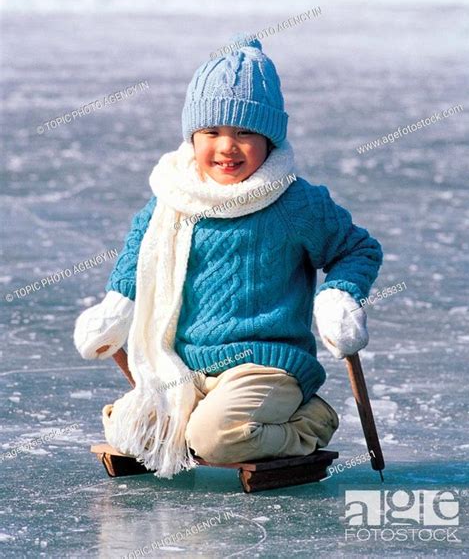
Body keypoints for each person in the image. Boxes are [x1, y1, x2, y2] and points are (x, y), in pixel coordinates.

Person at [73, 34, 383, 479]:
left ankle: (312, 419)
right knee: (130, 428)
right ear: (192, 135)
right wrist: (118, 306)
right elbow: (139, 253)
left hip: (265, 363)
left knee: (214, 439)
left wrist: (338, 295)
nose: (226, 147)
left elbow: (357, 248)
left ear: (270, 139)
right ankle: (200, 423)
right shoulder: (172, 198)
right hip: (185, 364)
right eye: (212, 132)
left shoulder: (293, 203)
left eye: (245, 133)